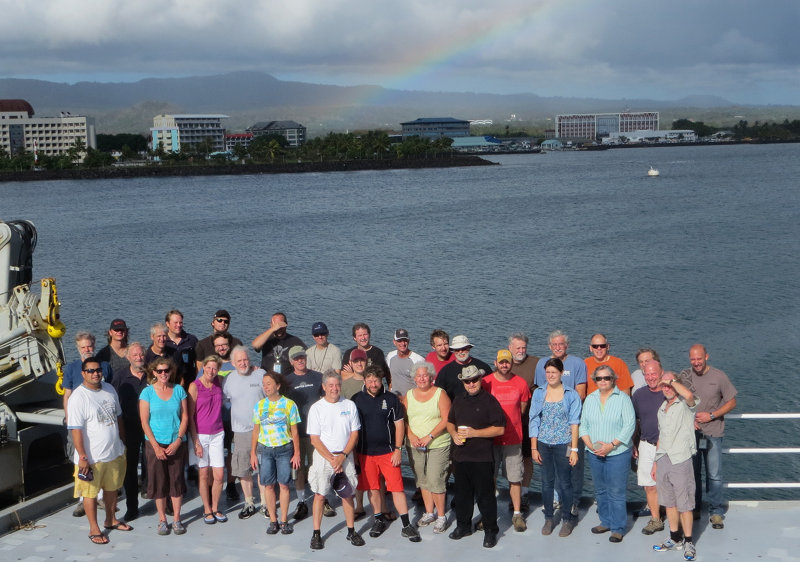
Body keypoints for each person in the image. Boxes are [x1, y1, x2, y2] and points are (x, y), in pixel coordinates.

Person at [352, 367, 421, 542]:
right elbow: (352, 428)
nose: (373, 384)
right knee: (373, 488)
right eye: (369, 381)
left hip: (389, 453)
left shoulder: (391, 399)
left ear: (381, 381)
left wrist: (398, 449)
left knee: (397, 489)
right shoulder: (356, 400)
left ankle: (406, 524)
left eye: (376, 380)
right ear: (364, 381)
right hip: (365, 453)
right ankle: (378, 519)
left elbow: (399, 425)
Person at [67, 357, 131, 545]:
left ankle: (110, 519)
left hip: (114, 452)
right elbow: (75, 429)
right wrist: (83, 457)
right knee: (90, 493)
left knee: (112, 489)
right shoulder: (78, 397)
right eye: (91, 371)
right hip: (92, 457)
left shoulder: (109, 389)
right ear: (83, 374)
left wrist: (122, 439)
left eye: (98, 370)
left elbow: (118, 415)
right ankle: (94, 528)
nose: (95, 374)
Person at [678, 344, 737, 529]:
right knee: (692, 474)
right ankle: (694, 507)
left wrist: (712, 415)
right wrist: (689, 419)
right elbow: (678, 401)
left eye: (699, 358)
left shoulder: (719, 376)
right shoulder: (684, 375)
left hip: (713, 434)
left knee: (714, 475)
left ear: (706, 357)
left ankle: (716, 511)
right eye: (693, 359)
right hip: (690, 434)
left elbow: (732, 401)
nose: (696, 362)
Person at [446, 364, 506, 548]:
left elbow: (500, 428)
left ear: (480, 379)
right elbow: (450, 422)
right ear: (463, 382)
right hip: (461, 457)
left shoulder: (490, 401)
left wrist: (475, 433)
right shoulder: (458, 400)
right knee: (462, 495)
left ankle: (490, 531)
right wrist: (454, 434)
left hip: (482, 458)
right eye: (467, 381)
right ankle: (463, 526)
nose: (471, 384)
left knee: (485, 497)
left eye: (474, 380)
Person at [306, 371, 364, 549]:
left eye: (337, 385)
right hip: (325, 458)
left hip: (344, 456)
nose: (334, 388)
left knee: (348, 495)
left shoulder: (349, 405)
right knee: (320, 495)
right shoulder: (316, 408)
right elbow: (314, 439)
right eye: (330, 385)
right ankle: (316, 534)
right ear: (324, 387)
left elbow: (354, 434)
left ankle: (351, 530)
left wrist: (343, 456)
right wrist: (333, 459)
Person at [579, 365, 636, 543]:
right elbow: (583, 426)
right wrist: (591, 445)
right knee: (601, 489)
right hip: (594, 453)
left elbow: (629, 425)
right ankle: (606, 521)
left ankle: (618, 527)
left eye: (606, 378)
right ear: (594, 381)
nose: (602, 381)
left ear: (613, 379)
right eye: (599, 378)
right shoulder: (590, 399)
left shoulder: (623, 399)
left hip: (617, 453)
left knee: (616, 491)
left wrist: (611, 445)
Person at [534, 330, 587, 516]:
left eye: (561, 344)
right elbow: (541, 392)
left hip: (570, 426)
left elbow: (581, 392)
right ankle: (555, 499)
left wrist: (565, 407)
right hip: (548, 428)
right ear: (549, 346)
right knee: (551, 468)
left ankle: (573, 500)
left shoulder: (577, 363)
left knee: (573, 465)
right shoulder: (542, 364)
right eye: (554, 344)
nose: (558, 347)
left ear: (567, 345)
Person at [529, 357, 581, 537]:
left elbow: (575, 423)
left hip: (563, 444)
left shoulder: (571, 394)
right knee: (546, 482)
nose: (550, 375)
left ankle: (567, 519)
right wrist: (534, 447)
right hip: (544, 444)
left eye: (554, 372)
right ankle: (549, 518)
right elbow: (534, 420)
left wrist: (574, 449)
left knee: (565, 482)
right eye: (548, 372)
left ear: (561, 373)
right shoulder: (539, 393)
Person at [62, 331, 112, 518]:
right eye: (83, 347)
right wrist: (69, 419)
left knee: (100, 458)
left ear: (94, 345)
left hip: (100, 422)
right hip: (79, 422)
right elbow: (67, 395)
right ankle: (82, 500)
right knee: (80, 459)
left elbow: (109, 392)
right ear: (78, 348)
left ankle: (100, 495)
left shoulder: (104, 366)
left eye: (89, 346)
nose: (87, 350)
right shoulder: (72, 368)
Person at [139, 357, 189, 536]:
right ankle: (162, 520)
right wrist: (155, 446)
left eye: (166, 370)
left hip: (176, 442)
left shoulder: (179, 390)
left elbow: (185, 417)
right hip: (155, 444)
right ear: (154, 372)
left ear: (171, 372)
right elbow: (144, 421)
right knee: (159, 482)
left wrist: (178, 440)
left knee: (176, 481)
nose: (163, 374)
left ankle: (176, 519)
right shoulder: (147, 393)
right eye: (159, 371)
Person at [482, 349, 531, 531]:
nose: (504, 365)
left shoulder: (520, 383)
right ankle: (490, 514)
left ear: (512, 363)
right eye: (501, 362)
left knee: (515, 477)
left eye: (507, 362)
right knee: (489, 478)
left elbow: (523, 408)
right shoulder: (486, 382)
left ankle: (517, 514)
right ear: (495, 362)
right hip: (491, 440)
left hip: (513, 440)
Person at [652, 372, 699, 561]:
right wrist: (655, 462)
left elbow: (689, 396)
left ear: (676, 384)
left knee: (685, 503)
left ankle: (689, 541)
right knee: (669, 502)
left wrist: (670, 380)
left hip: (681, 459)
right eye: (663, 385)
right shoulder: (662, 408)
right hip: (663, 458)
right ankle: (674, 537)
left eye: (670, 384)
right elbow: (661, 437)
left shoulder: (686, 405)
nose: (666, 388)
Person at [285, 345, 336, 519]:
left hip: (317, 433)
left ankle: (323, 499)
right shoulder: (287, 380)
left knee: (320, 467)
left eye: (303, 357)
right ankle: (301, 501)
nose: (300, 360)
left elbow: (330, 398)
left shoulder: (317, 377)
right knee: (299, 468)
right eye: (297, 358)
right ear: (291, 361)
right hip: (297, 433)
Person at [250, 371, 301, 535]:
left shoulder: (289, 404)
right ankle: (273, 520)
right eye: (264, 384)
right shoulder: (259, 406)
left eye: (269, 384)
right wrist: (252, 453)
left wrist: (297, 453)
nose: (266, 387)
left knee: (284, 485)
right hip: (265, 450)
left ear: (277, 386)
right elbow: (256, 431)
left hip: (284, 449)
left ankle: (284, 520)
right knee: (268, 485)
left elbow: (294, 431)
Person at [403, 361, 451, 534]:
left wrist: (429, 436)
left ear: (431, 377)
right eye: (418, 375)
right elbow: (404, 421)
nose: (422, 378)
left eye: (425, 375)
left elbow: (446, 419)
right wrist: (412, 436)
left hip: (438, 444)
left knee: (435, 479)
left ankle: (441, 516)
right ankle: (429, 512)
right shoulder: (408, 395)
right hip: (415, 445)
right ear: (414, 378)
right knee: (422, 479)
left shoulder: (440, 394)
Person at [223, 346, 267, 519]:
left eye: (245, 360)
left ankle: (265, 503)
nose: (243, 363)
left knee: (264, 468)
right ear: (233, 363)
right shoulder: (228, 380)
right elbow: (225, 401)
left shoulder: (261, 374)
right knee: (243, 469)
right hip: (241, 432)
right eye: (239, 361)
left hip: (263, 430)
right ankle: (249, 502)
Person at [188, 355, 227, 525]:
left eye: (215, 368)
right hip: (201, 435)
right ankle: (207, 509)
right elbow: (189, 416)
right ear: (203, 367)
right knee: (203, 473)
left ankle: (216, 506)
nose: (211, 371)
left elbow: (239, 373)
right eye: (209, 367)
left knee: (218, 475)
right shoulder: (194, 386)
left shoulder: (220, 381)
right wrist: (195, 441)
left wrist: (254, 369)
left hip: (218, 433)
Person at [111, 342, 149, 521]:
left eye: (141, 354)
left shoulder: (154, 375)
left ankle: (162, 502)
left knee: (153, 466)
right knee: (130, 469)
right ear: (128, 357)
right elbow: (113, 404)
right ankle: (132, 507)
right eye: (135, 355)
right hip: (129, 428)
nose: (139, 357)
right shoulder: (119, 377)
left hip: (151, 428)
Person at [632, 359, 668, 535]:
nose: (651, 377)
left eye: (654, 373)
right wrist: (634, 442)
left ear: (661, 373)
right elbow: (636, 421)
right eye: (647, 374)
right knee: (649, 485)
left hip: (668, 447)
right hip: (646, 444)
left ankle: (675, 519)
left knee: (670, 484)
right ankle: (656, 519)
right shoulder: (638, 395)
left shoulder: (670, 393)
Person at [508, 332, 539, 512]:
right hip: (508, 424)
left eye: (523, 348)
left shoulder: (536, 364)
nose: (521, 351)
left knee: (527, 459)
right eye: (517, 348)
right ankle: (513, 493)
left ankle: (524, 493)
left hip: (528, 421)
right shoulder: (504, 363)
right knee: (511, 459)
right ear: (510, 348)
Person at [435, 335, 492, 401]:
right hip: (455, 409)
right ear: (453, 350)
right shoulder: (445, 372)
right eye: (457, 350)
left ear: (469, 348)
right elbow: (438, 396)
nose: (460, 352)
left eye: (463, 349)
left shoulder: (484, 367)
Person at [342, 322, 391, 387]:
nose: (363, 338)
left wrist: (353, 374)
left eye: (365, 334)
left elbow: (376, 376)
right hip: (352, 388)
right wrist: (365, 374)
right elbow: (343, 376)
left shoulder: (378, 353)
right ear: (354, 338)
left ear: (369, 335)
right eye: (360, 335)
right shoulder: (349, 353)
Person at [165, 309, 199, 390]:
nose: (179, 325)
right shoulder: (162, 341)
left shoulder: (191, 340)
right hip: (168, 383)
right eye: (175, 323)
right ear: (167, 324)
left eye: (180, 322)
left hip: (189, 383)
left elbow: (199, 362)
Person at [385, 328, 424, 397]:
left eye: (405, 340)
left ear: (408, 341)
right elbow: (389, 375)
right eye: (399, 341)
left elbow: (423, 383)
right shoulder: (390, 356)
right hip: (394, 398)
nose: (402, 343)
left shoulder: (418, 360)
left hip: (412, 400)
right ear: (394, 342)